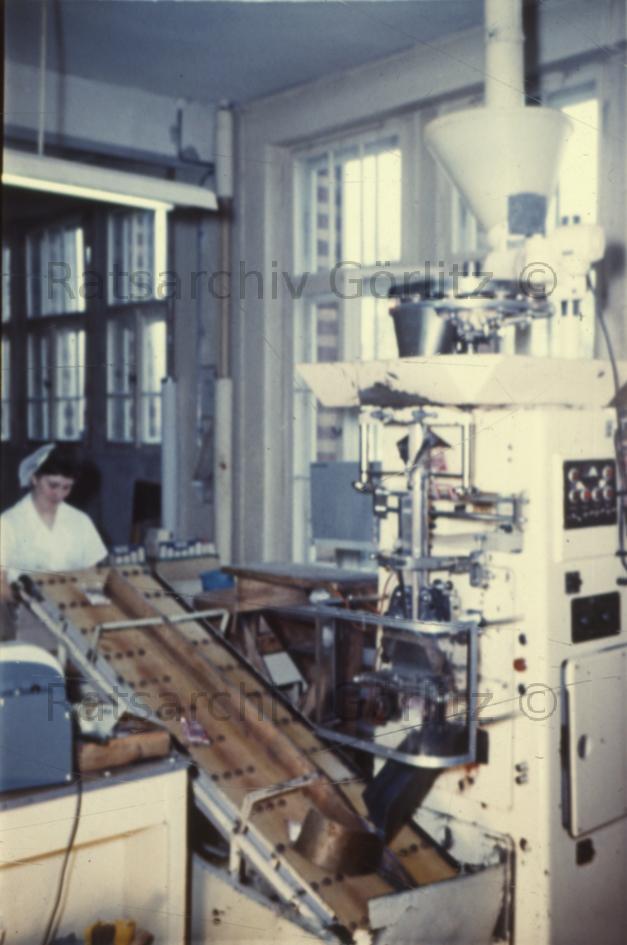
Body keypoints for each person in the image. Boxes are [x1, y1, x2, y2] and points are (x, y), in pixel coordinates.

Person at [0, 443, 107, 601]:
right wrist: (24, 601)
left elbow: (92, 578)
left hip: (73, 609)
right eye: (53, 485)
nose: (59, 494)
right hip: (23, 610)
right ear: (34, 478)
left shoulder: (80, 521)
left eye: (66, 487)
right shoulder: (8, 523)